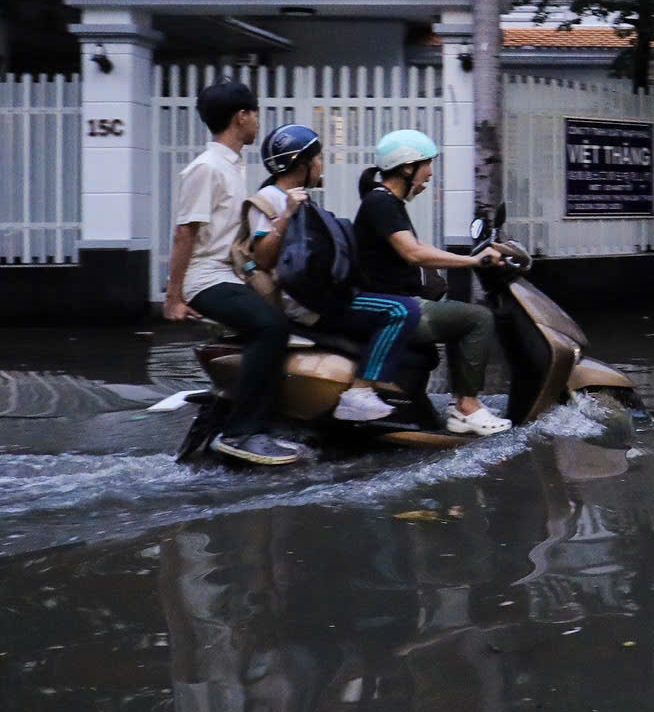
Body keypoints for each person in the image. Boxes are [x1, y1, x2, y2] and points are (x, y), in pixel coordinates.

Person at [165, 80, 301, 466]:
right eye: (254, 112)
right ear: (241, 117)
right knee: (270, 326)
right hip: (206, 277)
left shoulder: (232, 164)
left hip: (228, 273)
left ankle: (249, 415)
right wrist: (174, 296)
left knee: (284, 319)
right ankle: (244, 433)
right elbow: (184, 234)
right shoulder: (206, 168)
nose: (258, 120)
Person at [244, 123, 412, 424]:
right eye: (318, 158)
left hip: (317, 295)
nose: (322, 164)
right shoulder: (271, 198)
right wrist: (286, 216)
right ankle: (358, 395)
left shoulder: (298, 196)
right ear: (301, 163)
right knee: (402, 310)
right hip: (304, 304)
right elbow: (263, 258)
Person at [353, 129, 511, 437]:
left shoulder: (388, 203)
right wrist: (473, 261)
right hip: (395, 305)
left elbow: (416, 247)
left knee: (458, 315)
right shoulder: (381, 202)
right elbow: (413, 253)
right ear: (407, 167)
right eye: (426, 164)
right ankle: (467, 406)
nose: (430, 173)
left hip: (402, 298)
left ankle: (460, 405)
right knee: (478, 318)